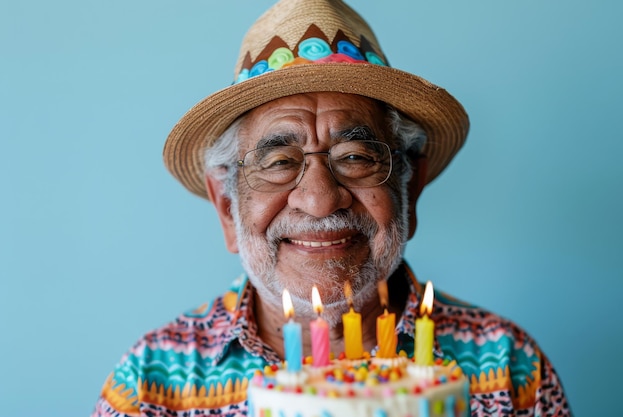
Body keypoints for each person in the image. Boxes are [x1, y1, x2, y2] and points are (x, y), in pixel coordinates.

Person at [92, 0, 571, 416]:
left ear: (411, 187)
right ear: (226, 206)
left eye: (356, 158)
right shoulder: (151, 387)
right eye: (278, 162)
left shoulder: (508, 369)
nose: (320, 201)